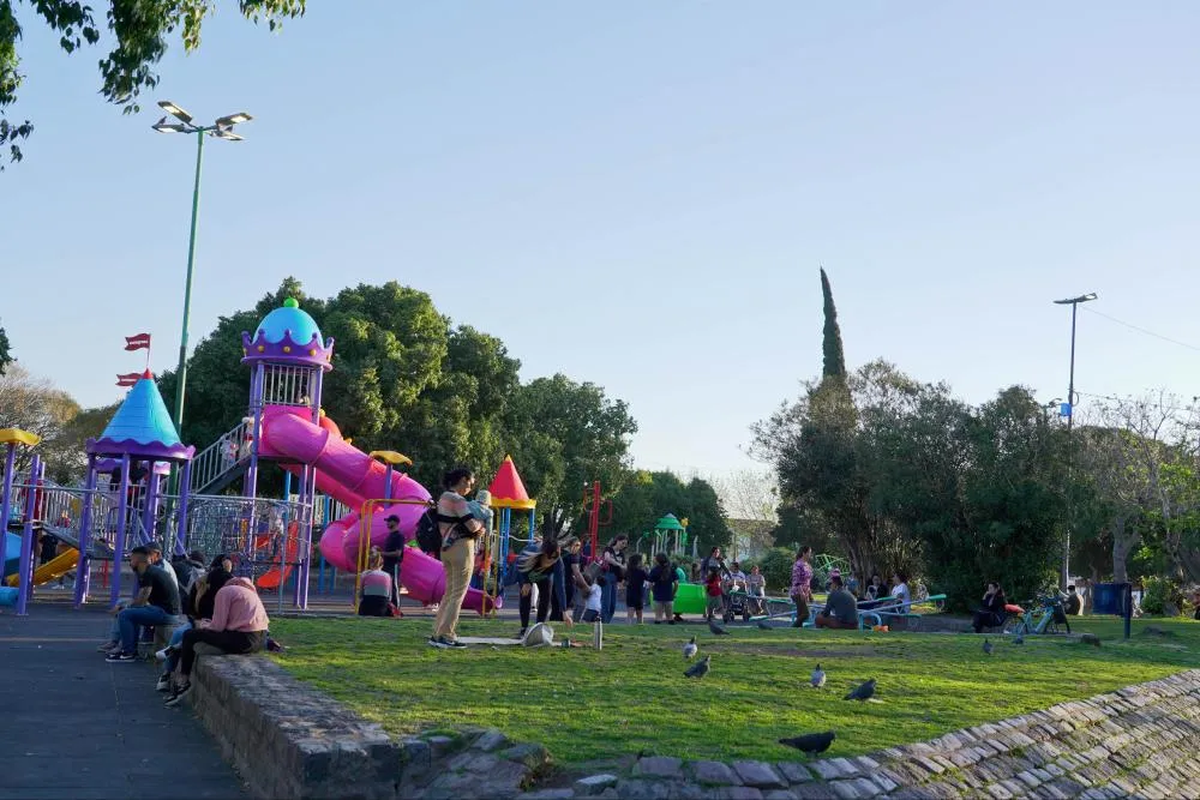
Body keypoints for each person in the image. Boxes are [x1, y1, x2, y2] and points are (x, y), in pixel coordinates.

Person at [165, 574, 270, 706]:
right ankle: (178, 647)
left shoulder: (224, 592)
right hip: (259, 639)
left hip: (243, 640)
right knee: (198, 637)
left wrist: (204, 625)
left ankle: (183, 680)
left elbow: (218, 627)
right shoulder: (247, 590)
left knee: (190, 635)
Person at [156, 556, 233, 691]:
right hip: (199, 621)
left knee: (190, 637)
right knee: (179, 633)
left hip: (221, 624)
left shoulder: (229, 587)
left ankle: (175, 651)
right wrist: (196, 621)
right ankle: (167, 673)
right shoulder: (199, 585)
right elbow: (189, 609)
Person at [429, 468, 486, 649]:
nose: (471, 486)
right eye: (470, 482)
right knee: (458, 594)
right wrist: (481, 526)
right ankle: (447, 634)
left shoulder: (443, 497)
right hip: (462, 548)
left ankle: (437, 632)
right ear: (463, 480)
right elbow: (471, 525)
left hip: (445, 548)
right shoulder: (458, 499)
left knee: (449, 593)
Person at [105, 546, 183, 662]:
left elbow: (141, 600)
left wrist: (122, 607)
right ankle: (129, 650)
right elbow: (141, 601)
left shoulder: (149, 573)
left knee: (125, 614)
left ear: (137, 561)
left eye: (131, 560)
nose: (130, 563)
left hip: (166, 614)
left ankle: (128, 652)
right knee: (131, 613)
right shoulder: (151, 571)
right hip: (165, 611)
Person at [515, 538, 565, 638]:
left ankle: (539, 627)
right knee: (525, 595)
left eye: (554, 559)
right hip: (526, 572)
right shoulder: (531, 552)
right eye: (549, 559)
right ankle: (524, 628)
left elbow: (560, 586)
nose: (551, 562)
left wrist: (564, 610)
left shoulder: (557, 562)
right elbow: (519, 565)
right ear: (543, 554)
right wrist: (526, 582)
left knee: (546, 598)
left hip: (544, 577)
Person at [599, 534, 628, 624]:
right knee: (606, 601)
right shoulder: (608, 549)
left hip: (616, 579)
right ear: (618, 540)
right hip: (607, 575)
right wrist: (618, 564)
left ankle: (607, 621)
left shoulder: (622, 554)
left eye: (625, 544)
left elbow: (624, 566)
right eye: (622, 543)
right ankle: (604, 622)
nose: (623, 545)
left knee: (613, 603)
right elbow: (607, 558)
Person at [379, 514, 405, 612]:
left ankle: (396, 608)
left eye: (389, 521)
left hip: (394, 564)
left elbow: (398, 553)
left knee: (394, 587)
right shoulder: (389, 536)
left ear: (395, 523)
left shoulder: (399, 536)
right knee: (387, 587)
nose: (387, 523)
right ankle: (389, 608)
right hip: (386, 565)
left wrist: (382, 553)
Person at [358, 549, 394, 617]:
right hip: (382, 605)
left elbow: (360, 594)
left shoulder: (365, 574)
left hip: (367, 605)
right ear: (382, 565)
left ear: (370, 563)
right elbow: (389, 597)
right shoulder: (388, 575)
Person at [647, 552, 678, 624]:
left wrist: (654, 591)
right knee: (670, 617)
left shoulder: (654, 570)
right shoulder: (671, 569)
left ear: (657, 560)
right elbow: (676, 584)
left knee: (658, 617)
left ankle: (657, 632)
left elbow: (650, 584)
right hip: (669, 595)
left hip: (658, 596)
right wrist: (673, 593)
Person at [790, 546, 814, 628]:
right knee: (805, 614)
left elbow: (808, 581)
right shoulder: (798, 564)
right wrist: (802, 593)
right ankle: (792, 628)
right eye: (809, 552)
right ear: (804, 553)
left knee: (800, 614)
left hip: (805, 592)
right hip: (797, 593)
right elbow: (797, 580)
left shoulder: (807, 565)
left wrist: (810, 594)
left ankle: (796, 632)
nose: (810, 554)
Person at [625, 553, 649, 625]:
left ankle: (628, 626)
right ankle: (640, 626)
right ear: (638, 562)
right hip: (639, 594)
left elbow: (624, 581)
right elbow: (649, 578)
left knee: (630, 613)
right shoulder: (641, 572)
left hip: (630, 593)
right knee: (640, 613)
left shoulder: (628, 571)